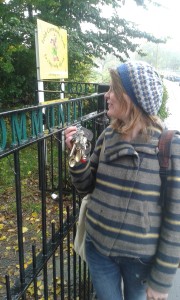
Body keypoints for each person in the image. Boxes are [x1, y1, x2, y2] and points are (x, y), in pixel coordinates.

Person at [64, 61, 180, 300]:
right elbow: (85, 186)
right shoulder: (108, 135)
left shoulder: (169, 145)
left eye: (112, 89)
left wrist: (162, 279)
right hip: (98, 250)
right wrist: (77, 154)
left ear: (130, 98)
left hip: (141, 259)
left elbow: (176, 219)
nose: (106, 95)